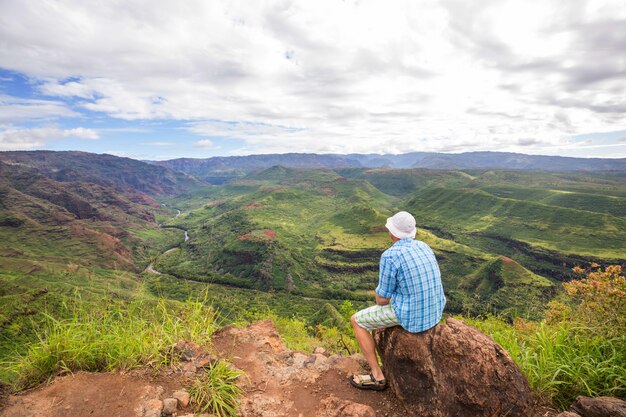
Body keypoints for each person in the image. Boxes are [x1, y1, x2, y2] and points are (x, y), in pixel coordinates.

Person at [349, 211, 446, 391]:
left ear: (392, 232)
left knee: (357, 321)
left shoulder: (390, 256)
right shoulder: (424, 246)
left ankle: (377, 376)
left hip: (412, 318)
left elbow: (382, 300)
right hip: (435, 313)